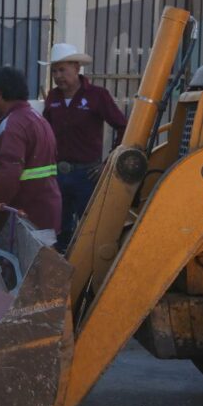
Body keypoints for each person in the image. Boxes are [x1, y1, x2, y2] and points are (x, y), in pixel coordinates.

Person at [40, 43, 127, 251]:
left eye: (62, 70)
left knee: (90, 230)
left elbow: (123, 127)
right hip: (57, 174)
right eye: (54, 71)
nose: (58, 75)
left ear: (77, 68)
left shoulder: (98, 95)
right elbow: (46, 132)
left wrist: (108, 163)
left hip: (87, 175)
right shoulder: (52, 97)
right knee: (59, 232)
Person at [0, 66, 61, 243]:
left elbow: (8, 176)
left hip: (21, 221)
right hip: (42, 215)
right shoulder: (36, 118)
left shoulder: (13, 126)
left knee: (14, 269)